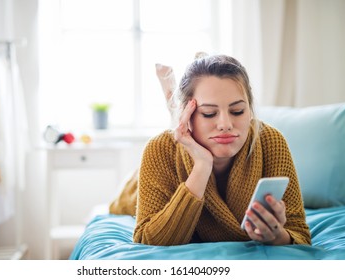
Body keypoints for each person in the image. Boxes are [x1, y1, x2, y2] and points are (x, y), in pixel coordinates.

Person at [109, 54, 311, 246]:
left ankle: (176, 104)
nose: (225, 124)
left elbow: (299, 233)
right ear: (189, 115)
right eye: (208, 113)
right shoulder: (159, 149)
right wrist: (202, 166)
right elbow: (148, 239)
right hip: (136, 190)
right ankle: (173, 105)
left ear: (250, 110)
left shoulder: (270, 140)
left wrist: (277, 236)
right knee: (124, 201)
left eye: (237, 111)